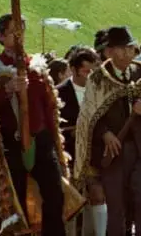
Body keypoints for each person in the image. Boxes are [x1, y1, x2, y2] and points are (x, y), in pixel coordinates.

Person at [0, 14, 83, 235]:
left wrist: (54, 141)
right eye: (13, 31)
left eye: (21, 30)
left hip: (41, 140)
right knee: (15, 201)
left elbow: (50, 108)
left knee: (55, 194)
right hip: (8, 142)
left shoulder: (36, 67)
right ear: (1, 36)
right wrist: (7, 91)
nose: (18, 35)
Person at [74, 26, 141, 236]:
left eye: (130, 48)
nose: (127, 53)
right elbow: (89, 115)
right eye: (121, 49)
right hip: (112, 151)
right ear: (109, 52)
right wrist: (105, 133)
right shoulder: (98, 79)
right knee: (115, 206)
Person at [57, 47, 106, 236]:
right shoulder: (59, 92)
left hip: (94, 154)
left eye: (93, 70)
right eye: (86, 71)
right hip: (69, 156)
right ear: (74, 69)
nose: (90, 75)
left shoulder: (100, 92)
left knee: (98, 196)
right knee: (71, 203)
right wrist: (71, 131)